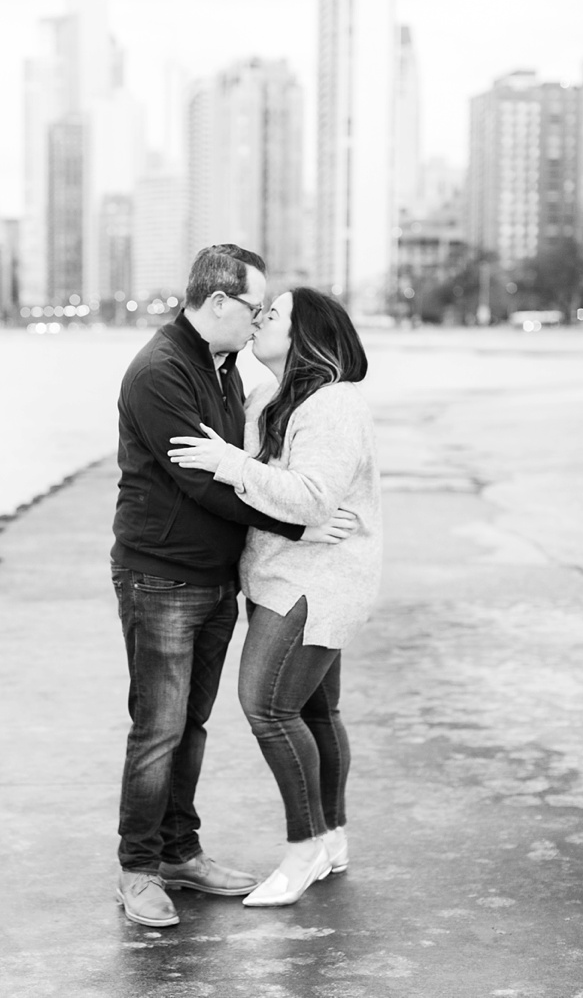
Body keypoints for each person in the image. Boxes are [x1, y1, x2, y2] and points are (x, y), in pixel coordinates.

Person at [111, 247, 353, 929]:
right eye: (254, 308)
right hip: (159, 575)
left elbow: (240, 463)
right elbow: (203, 481)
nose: (258, 322)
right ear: (217, 302)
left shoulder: (222, 365)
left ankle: (179, 852)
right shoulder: (160, 372)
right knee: (157, 727)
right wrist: (298, 526)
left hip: (212, 580)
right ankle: (137, 869)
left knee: (189, 724)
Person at [168, 286, 382, 907]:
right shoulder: (270, 396)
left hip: (316, 581)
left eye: (274, 314)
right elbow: (279, 499)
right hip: (279, 573)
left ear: (308, 333)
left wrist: (229, 461)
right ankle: (333, 837)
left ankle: (304, 848)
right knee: (316, 712)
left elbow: (311, 496)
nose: (260, 320)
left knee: (266, 706)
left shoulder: (333, 404)